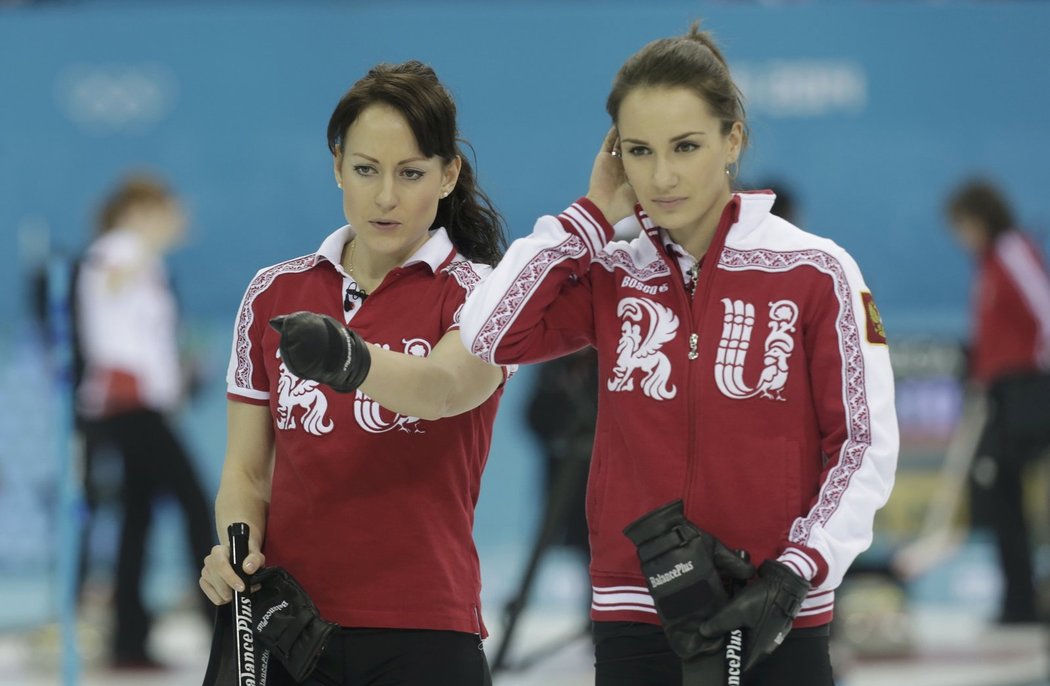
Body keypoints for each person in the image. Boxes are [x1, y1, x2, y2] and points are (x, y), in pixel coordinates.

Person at [459, 23, 899, 686]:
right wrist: (588, 216)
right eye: (638, 151)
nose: (661, 176)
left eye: (686, 147)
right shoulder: (610, 270)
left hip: (772, 609)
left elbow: (862, 445)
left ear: (733, 139)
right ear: (616, 156)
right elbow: (489, 334)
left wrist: (795, 572)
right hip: (636, 613)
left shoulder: (817, 271)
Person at [198, 60, 508, 685]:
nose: (385, 196)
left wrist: (348, 359)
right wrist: (236, 549)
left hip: (422, 632)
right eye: (365, 169)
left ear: (448, 175)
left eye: (411, 173)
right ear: (337, 164)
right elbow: (248, 470)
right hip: (283, 624)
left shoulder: (481, 298)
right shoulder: (273, 292)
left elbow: (442, 389)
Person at [74, 173, 214, 669]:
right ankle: (221, 627)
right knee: (198, 505)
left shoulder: (142, 261)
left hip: (139, 407)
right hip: (129, 410)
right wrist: (146, 238)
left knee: (138, 518)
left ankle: (128, 642)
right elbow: (110, 279)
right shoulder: (118, 249)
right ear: (138, 212)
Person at [945, 178, 1050, 624]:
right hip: (1002, 395)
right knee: (998, 494)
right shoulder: (987, 264)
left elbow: (1044, 308)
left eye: (961, 225)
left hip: (1029, 391)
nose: (959, 236)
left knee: (1002, 488)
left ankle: (1023, 602)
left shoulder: (1011, 251)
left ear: (979, 217)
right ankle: (1019, 603)